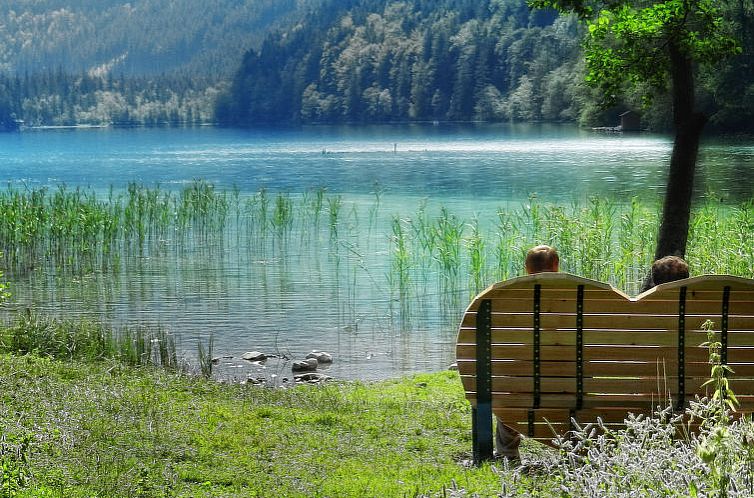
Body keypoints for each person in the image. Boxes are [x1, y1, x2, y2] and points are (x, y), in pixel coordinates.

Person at [495, 244, 560, 462]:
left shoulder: (511, 295)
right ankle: (578, 449)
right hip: (568, 377)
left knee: (511, 392)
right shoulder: (574, 294)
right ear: (556, 266)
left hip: (523, 380)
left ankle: (507, 453)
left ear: (526, 269)